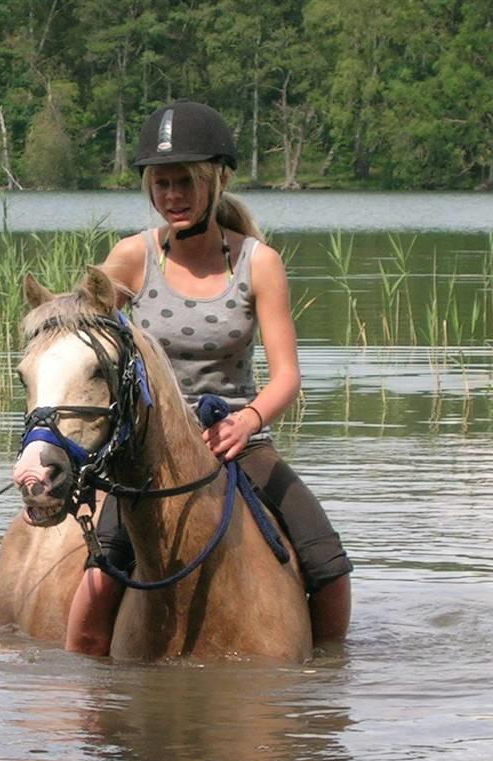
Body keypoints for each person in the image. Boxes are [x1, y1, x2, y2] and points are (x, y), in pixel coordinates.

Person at [66, 100, 352, 655]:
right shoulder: (130, 258)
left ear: (217, 180)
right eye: (161, 183)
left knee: (328, 566)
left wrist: (247, 421)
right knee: (100, 579)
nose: (172, 196)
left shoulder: (258, 262)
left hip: (240, 441)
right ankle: (87, 702)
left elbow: (287, 374)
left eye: (185, 182)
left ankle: (321, 683)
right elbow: (87, 343)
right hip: (152, 451)